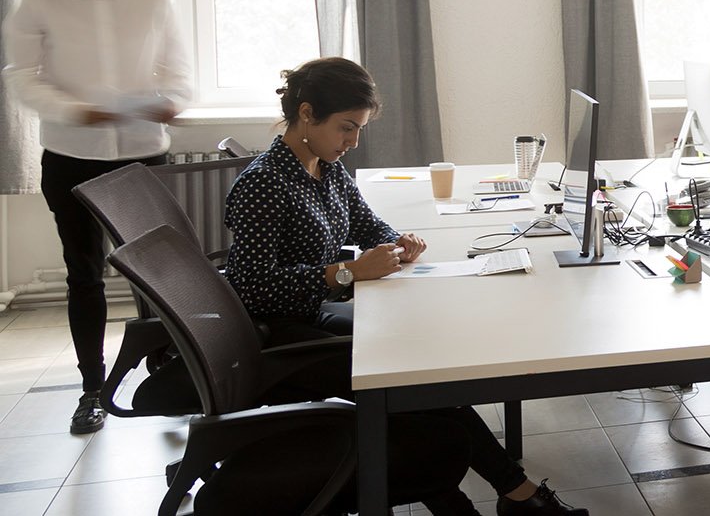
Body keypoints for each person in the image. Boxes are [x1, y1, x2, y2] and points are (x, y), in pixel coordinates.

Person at [223, 57, 587, 516]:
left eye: (359, 130)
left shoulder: (323, 166)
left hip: (312, 314)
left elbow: (365, 222)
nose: (353, 142)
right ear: (308, 114)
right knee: (417, 385)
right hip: (279, 340)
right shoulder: (263, 183)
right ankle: (516, 494)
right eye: (346, 128)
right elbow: (251, 287)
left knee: (425, 377)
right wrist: (346, 272)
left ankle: (512, 494)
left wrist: (396, 241)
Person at [2, 0, 191, 435]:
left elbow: (179, 72)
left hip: (143, 154)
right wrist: (76, 111)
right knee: (84, 275)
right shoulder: (42, 1)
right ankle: (91, 390)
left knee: (158, 272)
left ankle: (169, 374)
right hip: (71, 157)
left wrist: (171, 101)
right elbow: (20, 75)